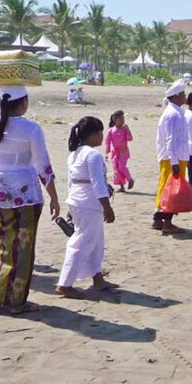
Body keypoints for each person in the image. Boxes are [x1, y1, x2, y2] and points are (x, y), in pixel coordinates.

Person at [0, 84, 61, 314]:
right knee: (22, 249)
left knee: (3, 242)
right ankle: (16, 301)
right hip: (25, 194)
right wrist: (54, 197)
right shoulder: (31, 128)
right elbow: (43, 166)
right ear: (22, 103)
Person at [56, 116, 118, 298]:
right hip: (89, 204)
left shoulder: (75, 153)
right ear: (92, 135)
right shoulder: (93, 155)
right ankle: (65, 283)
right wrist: (107, 207)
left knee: (95, 240)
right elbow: (97, 183)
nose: (101, 136)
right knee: (80, 242)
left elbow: (71, 182)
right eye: (99, 132)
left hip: (77, 201)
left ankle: (97, 278)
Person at [154, 81, 189, 234]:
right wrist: (174, 161)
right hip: (173, 157)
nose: (185, 96)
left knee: (165, 187)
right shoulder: (173, 114)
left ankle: (158, 219)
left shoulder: (175, 112)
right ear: (176, 96)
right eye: (183, 94)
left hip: (174, 156)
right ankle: (167, 222)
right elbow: (170, 140)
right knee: (172, 189)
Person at [105, 110, 135, 192]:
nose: (122, 120)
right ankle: (121, 186)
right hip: (115, 152)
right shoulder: (111, 130)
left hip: (123, 152)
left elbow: (130, 138)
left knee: (122, 167)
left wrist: (128, 130)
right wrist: (107, 151)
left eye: (123, 118)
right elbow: (107, 141)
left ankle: (130, 180)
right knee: (116, 169)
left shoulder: (124, 129)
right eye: (120, 118)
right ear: (115, 120)